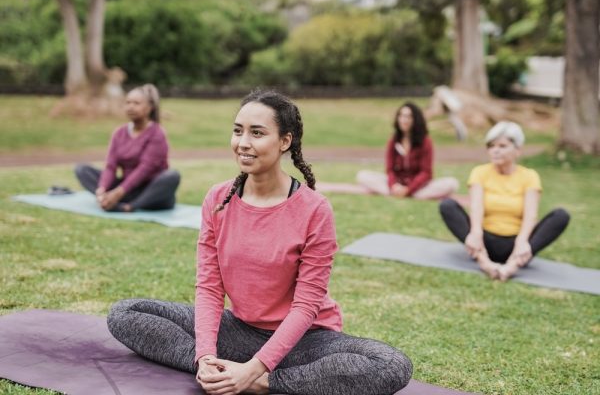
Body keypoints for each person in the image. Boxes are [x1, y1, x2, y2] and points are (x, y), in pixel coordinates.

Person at [107, 90, 413, 395]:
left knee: (390, 364)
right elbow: (210, 287)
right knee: (126, 312)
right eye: (238, 131)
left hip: (303, 340)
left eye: (257, 133)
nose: (243, 143)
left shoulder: (315, 209)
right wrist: (204, 356)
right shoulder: (217, 199)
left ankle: (261, 381)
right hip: (240, 331)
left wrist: (258, 372)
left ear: (285, 141)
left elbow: (306, 306)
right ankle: (219, 371)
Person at [439, 121, 570, 281]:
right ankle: (484, 263)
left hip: (516, 244)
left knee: (561, 215)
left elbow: (531, 215)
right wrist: (475, 234)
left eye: (502, 146)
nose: (495, 151)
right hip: (484, 242)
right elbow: (476, 207)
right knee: (447, 205)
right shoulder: (479, 172)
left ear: (518, 150)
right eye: (491, 146)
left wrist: (522, 243)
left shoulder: (529, 176)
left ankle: (513, 265)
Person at [317, 102, 459, 200]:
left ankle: (407, 194)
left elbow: (426, 173)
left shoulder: (425, 142)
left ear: (416, 120)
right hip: (396, 184)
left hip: (417, 186)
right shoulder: (394, 140)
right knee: (363, 176)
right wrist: (394, 186)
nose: (404, 120)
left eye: (408, 116)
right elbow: (390, 170)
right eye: (402, 116)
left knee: (451, 184)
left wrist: (409, 189)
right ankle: (396, 193)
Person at [74, 84, 180, 212]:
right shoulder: (119, 133)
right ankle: (108, 199)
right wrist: (102, 189)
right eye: (128, 102)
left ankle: (129, 206)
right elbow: (110, 166)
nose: (130, 107)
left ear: (150, 108)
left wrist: (118, 193)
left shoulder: (157, 133)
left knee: (172, 176)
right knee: (82, 169)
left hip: (151, 191)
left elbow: (144, 170)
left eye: (136, 103)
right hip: (127, 188)